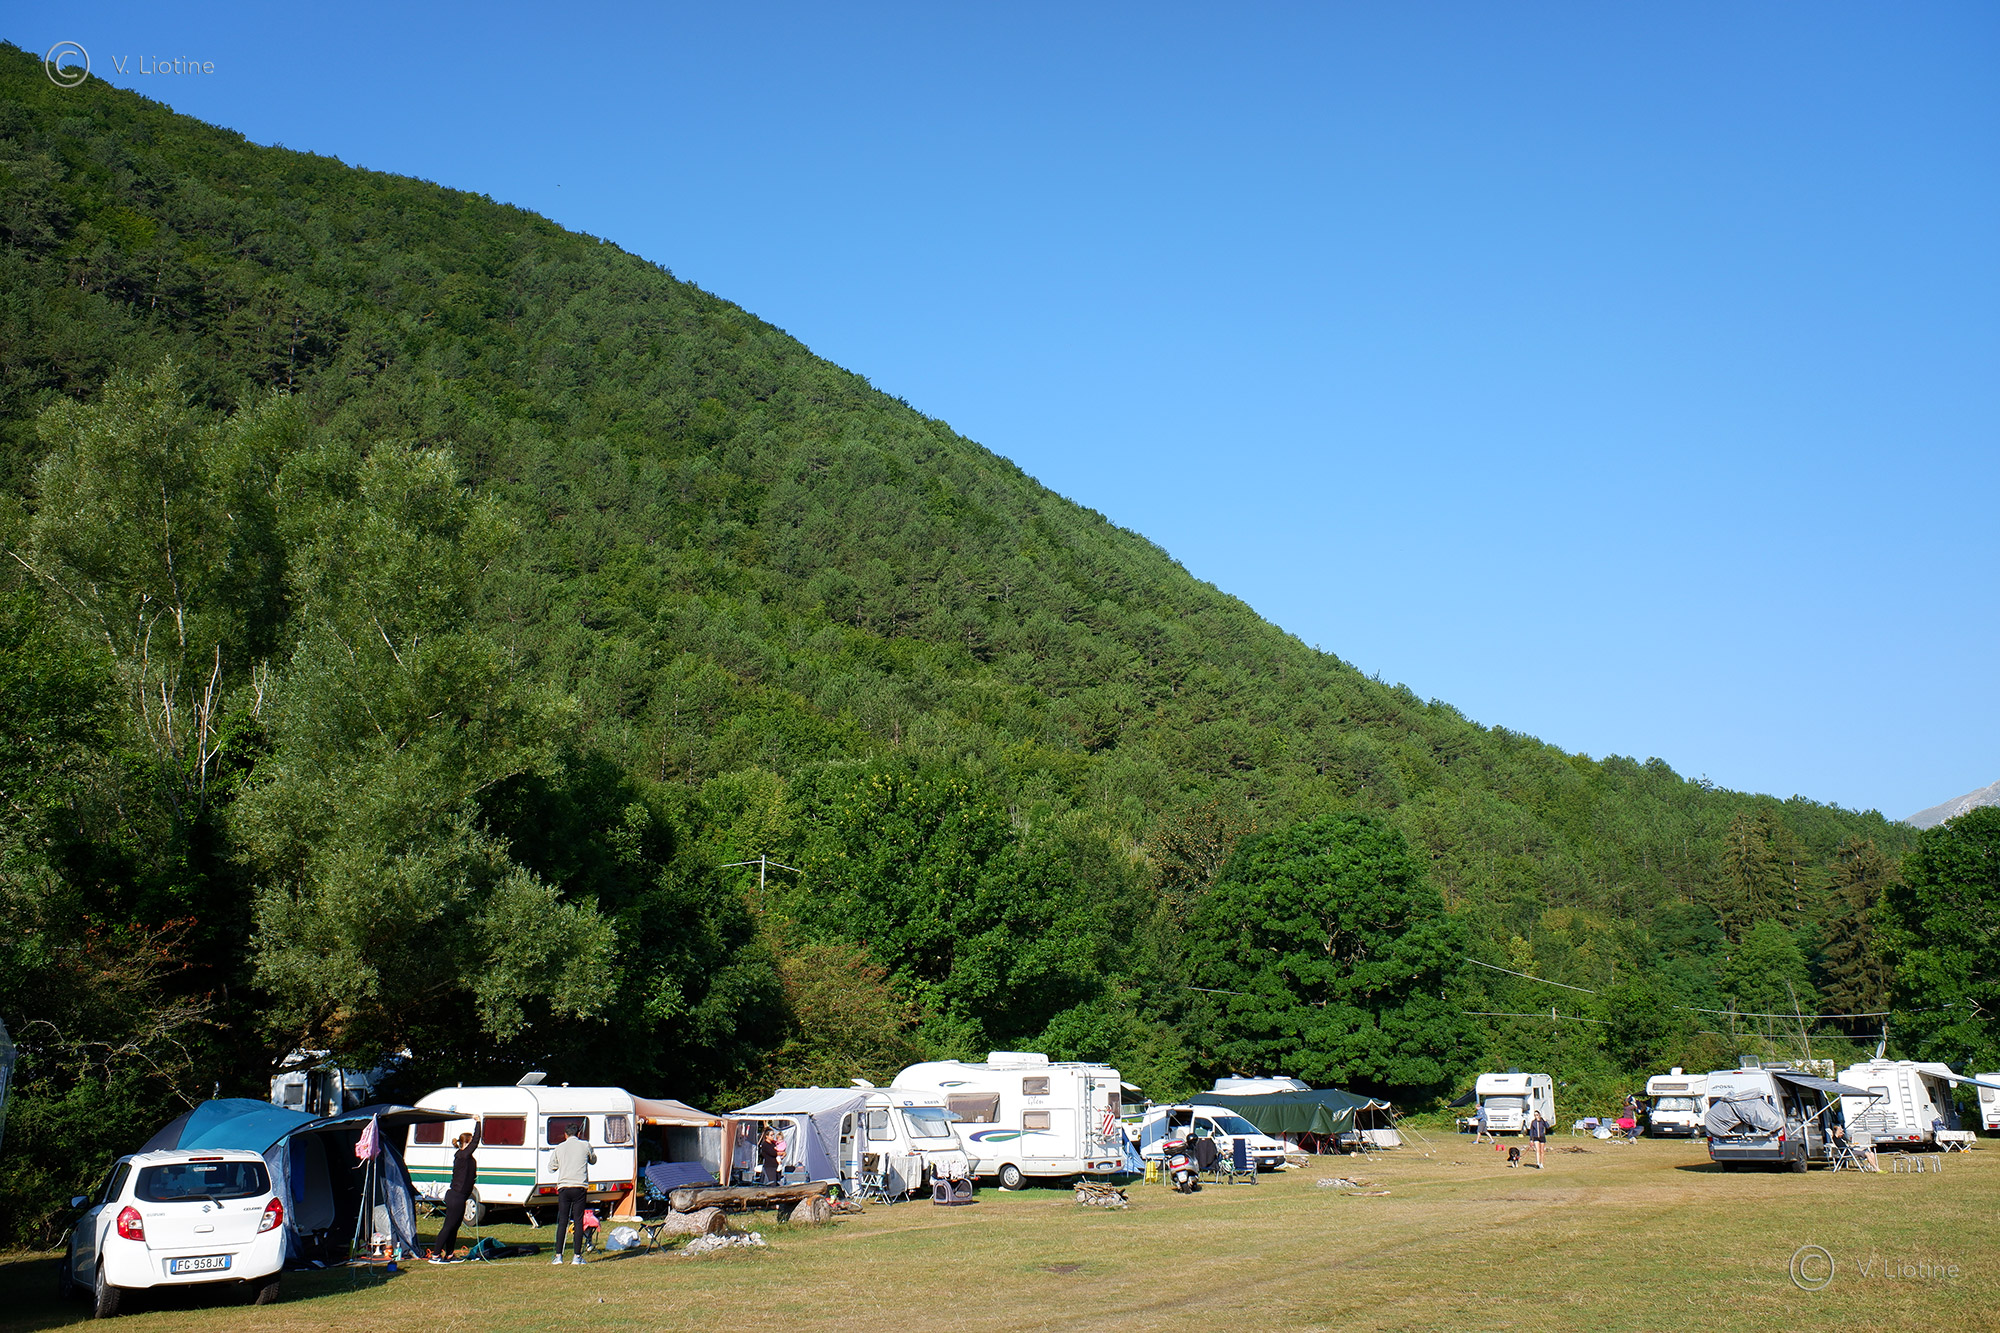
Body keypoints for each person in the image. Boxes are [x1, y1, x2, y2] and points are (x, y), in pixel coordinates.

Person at [547, 1124, 596, 1265]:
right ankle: (577, 1256)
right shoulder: (585, 1145)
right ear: (578, 1134)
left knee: (563, 1220)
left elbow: (551, 1168)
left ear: (565, 1134)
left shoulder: (559, 1147)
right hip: (579, 1187)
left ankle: (558, 1256)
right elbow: (593, 1160)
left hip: (564, 1187)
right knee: (578, 1220)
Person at [429, 1126, 481, 1261]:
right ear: (466, 1143)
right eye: (470, 1142)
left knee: (455, 1226)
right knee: (448, 1226)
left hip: (460, 1197)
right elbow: (476, 1140)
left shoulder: (465, 1156)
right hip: (456, 1196)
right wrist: (478, 1122)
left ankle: (450, 1254)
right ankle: (435, 1255)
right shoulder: (463, 1155)